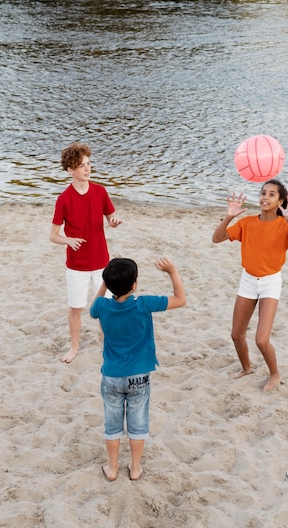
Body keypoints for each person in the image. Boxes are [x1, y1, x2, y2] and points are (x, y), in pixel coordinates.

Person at [90, 256, 186, 481]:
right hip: (139, 376)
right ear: (134, 284)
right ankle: (134, 468)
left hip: (112, 376)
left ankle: (112, 469)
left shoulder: (102, 306)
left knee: (112, 424)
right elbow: (180, 299)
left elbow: (93, 309)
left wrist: (105, 282)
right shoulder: (144, 304)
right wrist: (172, 272)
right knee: (138, 423)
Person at [212, 178, 288, 392]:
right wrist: (229, 216)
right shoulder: (247, 223)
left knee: (262, 340)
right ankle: (246, 368)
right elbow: (216, 238)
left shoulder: (284, 225)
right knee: (236, 335)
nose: (265, 197)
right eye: (263, 193)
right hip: (248, 280)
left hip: (270, 283)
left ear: (280, 200)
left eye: (271, 194)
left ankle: (274, 374)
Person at [50, 142, 122, 363]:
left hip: (101, 261)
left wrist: (113, 222)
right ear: (71, 170)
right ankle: (74, 347)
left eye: (89, 164)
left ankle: (108, 345)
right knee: (76, 308)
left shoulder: (100, 192)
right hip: (77, 265)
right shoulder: (64, 199)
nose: (87, 169)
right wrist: (68, 240)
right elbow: (53, 235)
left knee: (106, 308)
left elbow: (111, 216)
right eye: (82, 166)